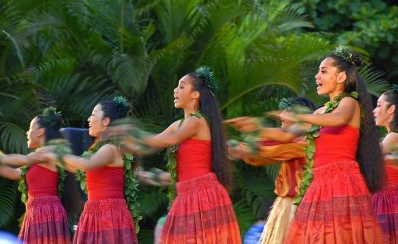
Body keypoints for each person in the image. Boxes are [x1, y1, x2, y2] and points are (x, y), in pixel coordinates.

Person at [227, 46, 384, 243]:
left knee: (340, 235)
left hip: (342, 180)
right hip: (318, 183)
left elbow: (337, 119)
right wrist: (256, 127)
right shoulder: (318, 113)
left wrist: (299, 116)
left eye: (323, 71)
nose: (317, 76)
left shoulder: (349, 104)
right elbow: (286, 135)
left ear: (341, 77)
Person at [110, 67, 241, 243]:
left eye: (181, 86)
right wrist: (125, 145)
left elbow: (167, 140)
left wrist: (132, 132)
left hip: (202, 195)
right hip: (185, 196)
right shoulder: (178, 124)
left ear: (195, 95)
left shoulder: (197, 121)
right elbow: (151, 144)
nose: (175, 90)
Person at [36, 97, 140, 244]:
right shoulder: (97, 149)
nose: (89, 119)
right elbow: (79, 168)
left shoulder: (110, 148)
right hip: (94, 211)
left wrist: (58, 154)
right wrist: (54, 159)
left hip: (108, 213)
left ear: (106, 121)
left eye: (94, 114)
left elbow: (87, 164)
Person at [227, 97, 315, 244]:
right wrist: (243, 150)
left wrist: (247, 144)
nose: (282, 124)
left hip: (303, 205)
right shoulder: (290, 143)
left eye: (286, 119)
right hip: (287, 206)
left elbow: (276, 147)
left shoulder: (308, 141)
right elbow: (269, 152)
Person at [0, 107, 77, 244]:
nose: (27, 133)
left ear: (40, 132)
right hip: (36, 210)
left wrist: (1, 158)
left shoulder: (49, 152)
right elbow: (14, 173)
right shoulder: (37, 160)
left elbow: (24, 159)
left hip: (46, 211)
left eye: (30, 128)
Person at [373, 88, 398, 243]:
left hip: (389, 202)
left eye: (379, 105)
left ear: (391, 109)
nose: (375, 110)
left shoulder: (393, 137)